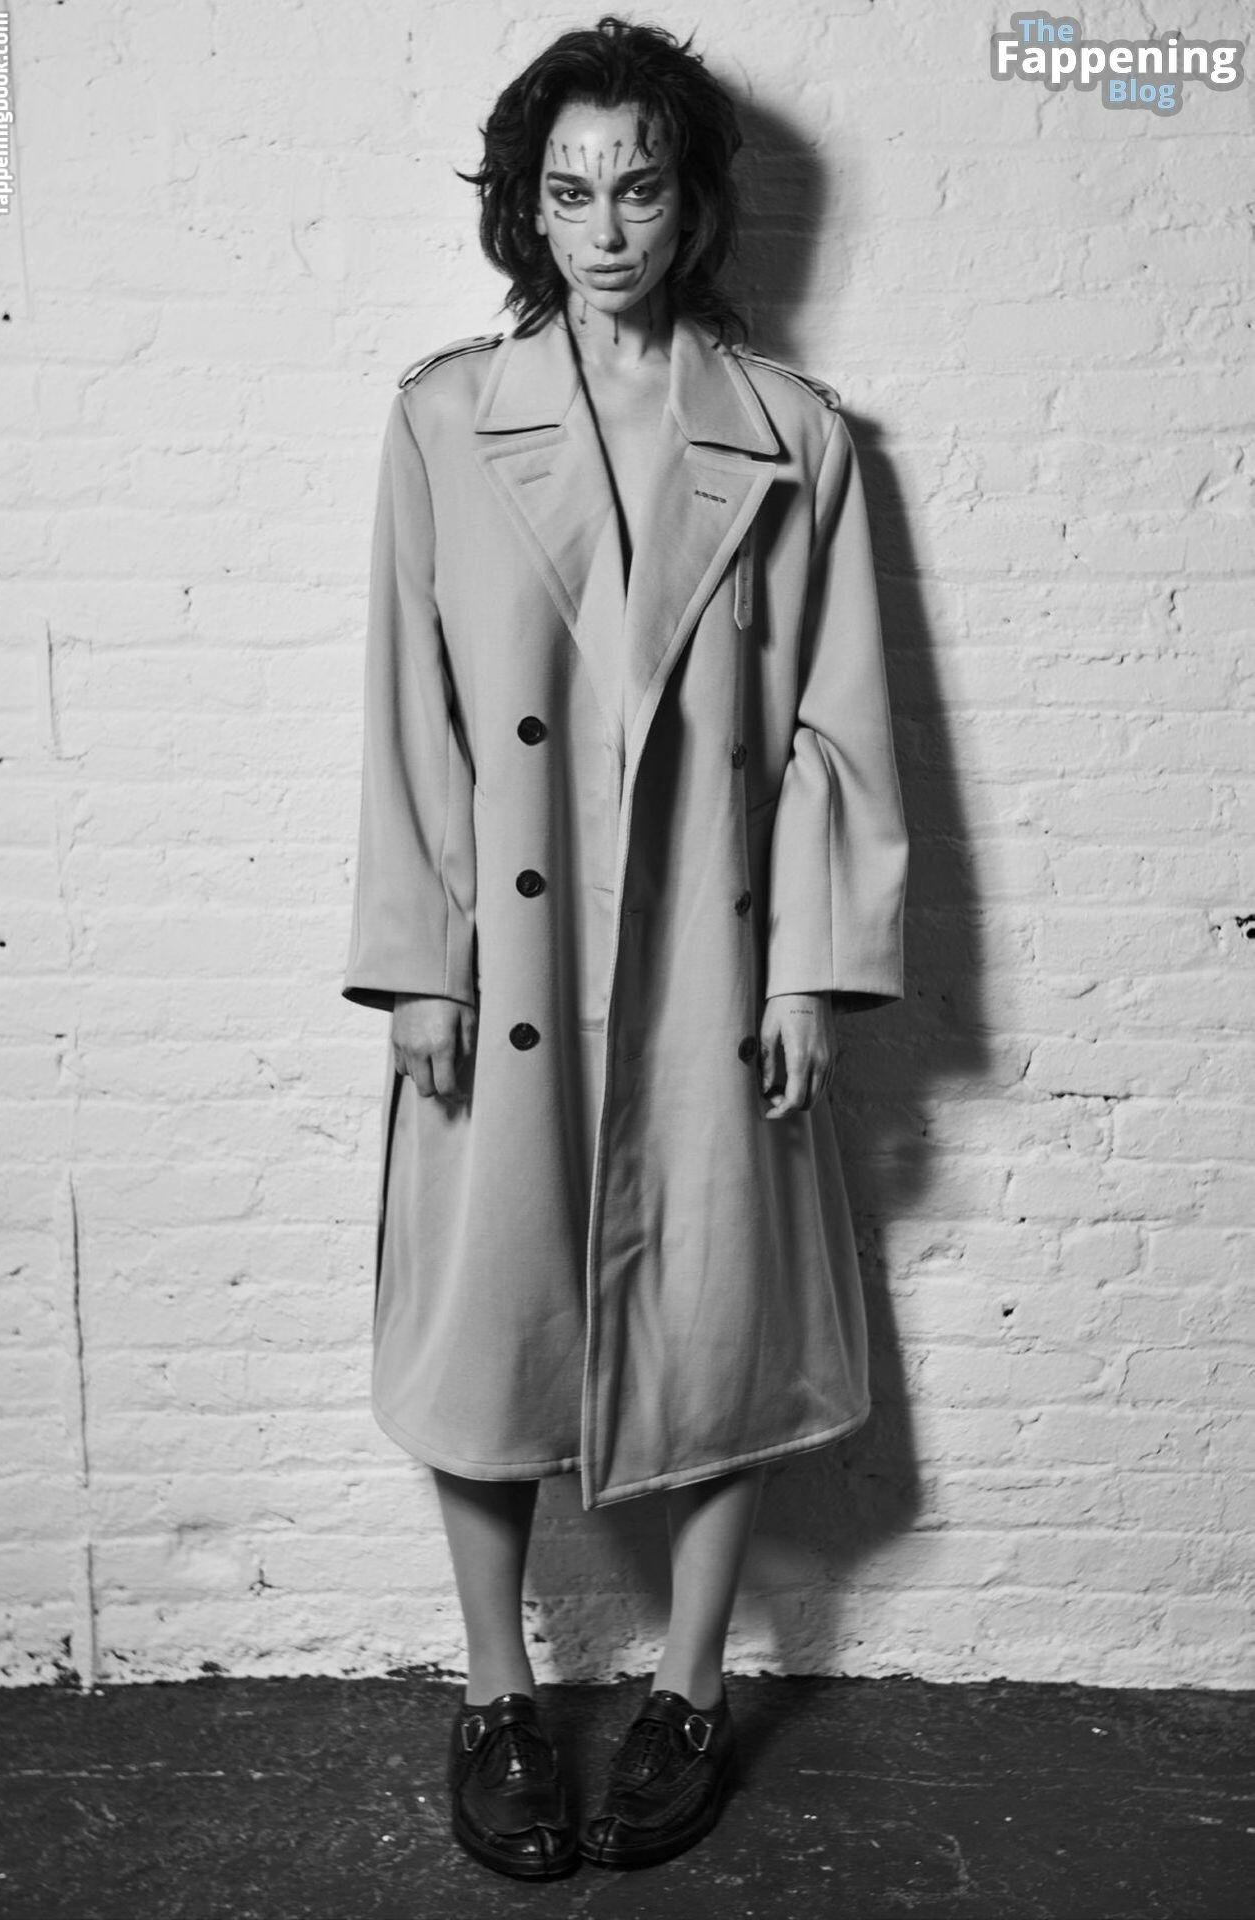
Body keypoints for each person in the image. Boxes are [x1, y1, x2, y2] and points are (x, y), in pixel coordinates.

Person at [342, 13, 908, 1881]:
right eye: (567, 192)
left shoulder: (794, 436)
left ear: (692, 204)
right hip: (504, 962)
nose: (604, 228)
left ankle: (687, 1689)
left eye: (639, 189)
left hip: (706, 958)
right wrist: (421, 963)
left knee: (719, 1319)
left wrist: (807, 968)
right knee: (486, 1322)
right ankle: (496, 1690)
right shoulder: (444, 417)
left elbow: (835, 723)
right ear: (526, 208)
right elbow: (410, 714)